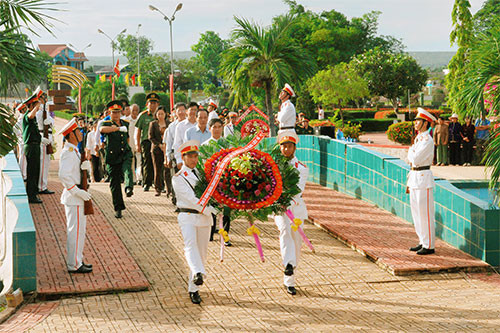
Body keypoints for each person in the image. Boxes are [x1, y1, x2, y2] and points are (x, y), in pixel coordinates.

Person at [171, 140, 217, 304]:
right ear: (183, 158)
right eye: (190, 156)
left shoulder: (203, 174)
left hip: (203, 218)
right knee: (190, 245)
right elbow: (190, 199)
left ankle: (193, 287)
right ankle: (198, 273)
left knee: (202, 253)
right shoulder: (178, 178)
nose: (193, 159)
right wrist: (210, 210)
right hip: (188, 216)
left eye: (195, 156)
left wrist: (216, 206)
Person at [274, 130, 308, 295]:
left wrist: (286, 201)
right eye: (283, 146)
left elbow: (298, 190)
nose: (286, 149)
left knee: (296, 241)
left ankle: (291, 269)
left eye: (289, 146)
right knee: (284, 230)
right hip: (280, 209)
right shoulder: (274, 167)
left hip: (295, 208)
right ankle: (288, 268)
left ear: (294, 148)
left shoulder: (301, 168)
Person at [58, 118, 93, 273]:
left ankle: (78, 260)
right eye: (77, 131)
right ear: (71, 135)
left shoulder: (75, 151)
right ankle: (74, 264)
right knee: (75, 231)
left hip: (77, 196)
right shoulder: (68, 152)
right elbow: (63, 175)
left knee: (79, 231)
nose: (80, 133)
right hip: (74, 197)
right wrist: (77, 191)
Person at [407, 108, 436, 256]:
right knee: (416, 213)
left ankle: (429, 245)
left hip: (423, 177)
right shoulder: (419, 138)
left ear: (425, 123)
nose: (416, 123)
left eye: (418, 121)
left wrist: (411, 153)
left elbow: (415, 159)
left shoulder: (427, 140)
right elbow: (411, 157)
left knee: (425, 213)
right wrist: (412, 153)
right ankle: (422, 241)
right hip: (414, 177)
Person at [100, 101, 134, 218]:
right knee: (114, 183)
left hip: (124, 153)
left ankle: (129, 187)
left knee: (127, 169)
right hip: (112, 156)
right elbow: (102, 130)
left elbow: (127, 137)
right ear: (110, 112)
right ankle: (118, 208)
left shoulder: (126, 123)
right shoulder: (106, 122)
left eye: (118, 112)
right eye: (114, 112)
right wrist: (116, 129)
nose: (116, 115)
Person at [22, 88, 48, 204]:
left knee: (35, 171)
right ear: (31, 106)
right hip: (31, 147)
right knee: (32, 172)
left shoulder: (33, 117)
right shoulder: (27, 115)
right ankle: (31, 195)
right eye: (36, 105)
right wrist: (36, 107)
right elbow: (31, 116)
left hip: (35, 146)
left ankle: (34, 193)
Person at [135, 93, 159, 191]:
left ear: (158, 104)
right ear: (147, 104)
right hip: (146, 142)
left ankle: (157, 182)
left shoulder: (160, 114)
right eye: (151, 103)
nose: (152, 105)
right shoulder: (143, 116)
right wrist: (137, 144)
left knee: (157, 163)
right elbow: (138, 131)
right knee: (146, 162)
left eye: (154, 103)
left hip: (157, 142)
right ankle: (146, 183)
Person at [149, 107, 170, 196]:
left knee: (167, 169)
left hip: (167, 149)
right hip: (156, 149)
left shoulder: (169, 124)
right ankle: (158, 188)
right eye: (159, 114)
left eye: (162, 113)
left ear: (165, 114)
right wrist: (159, 145)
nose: (160, 116)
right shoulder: (153, 124)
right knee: (157, 170)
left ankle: (169, 189)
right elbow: (151, 137)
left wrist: (166, 146)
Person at [36, 99, 55, 195]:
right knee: (43, 164)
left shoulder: (47, 113)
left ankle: (43, 185)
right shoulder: (39, 113)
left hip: (47, 136)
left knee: (45, 164)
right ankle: (41, 187)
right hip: (44, 137)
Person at [173, 102, 199, 168]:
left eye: (195, 110)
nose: (193, 112)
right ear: (187, 111)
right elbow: (177, 144)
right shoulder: (180, 126)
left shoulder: (202, 125)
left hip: (200, 160)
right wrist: (179, 160)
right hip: (186, 160)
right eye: (191, 110)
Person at [127, 104, 141, 184]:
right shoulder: (126, 120)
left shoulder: (140, 119)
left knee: (140, 161)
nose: (135, 112)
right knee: (131, 162)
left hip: (138, 143)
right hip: (130, 143)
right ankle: (133, 179)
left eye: (136, 110)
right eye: (133, 110)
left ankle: (140, 178)